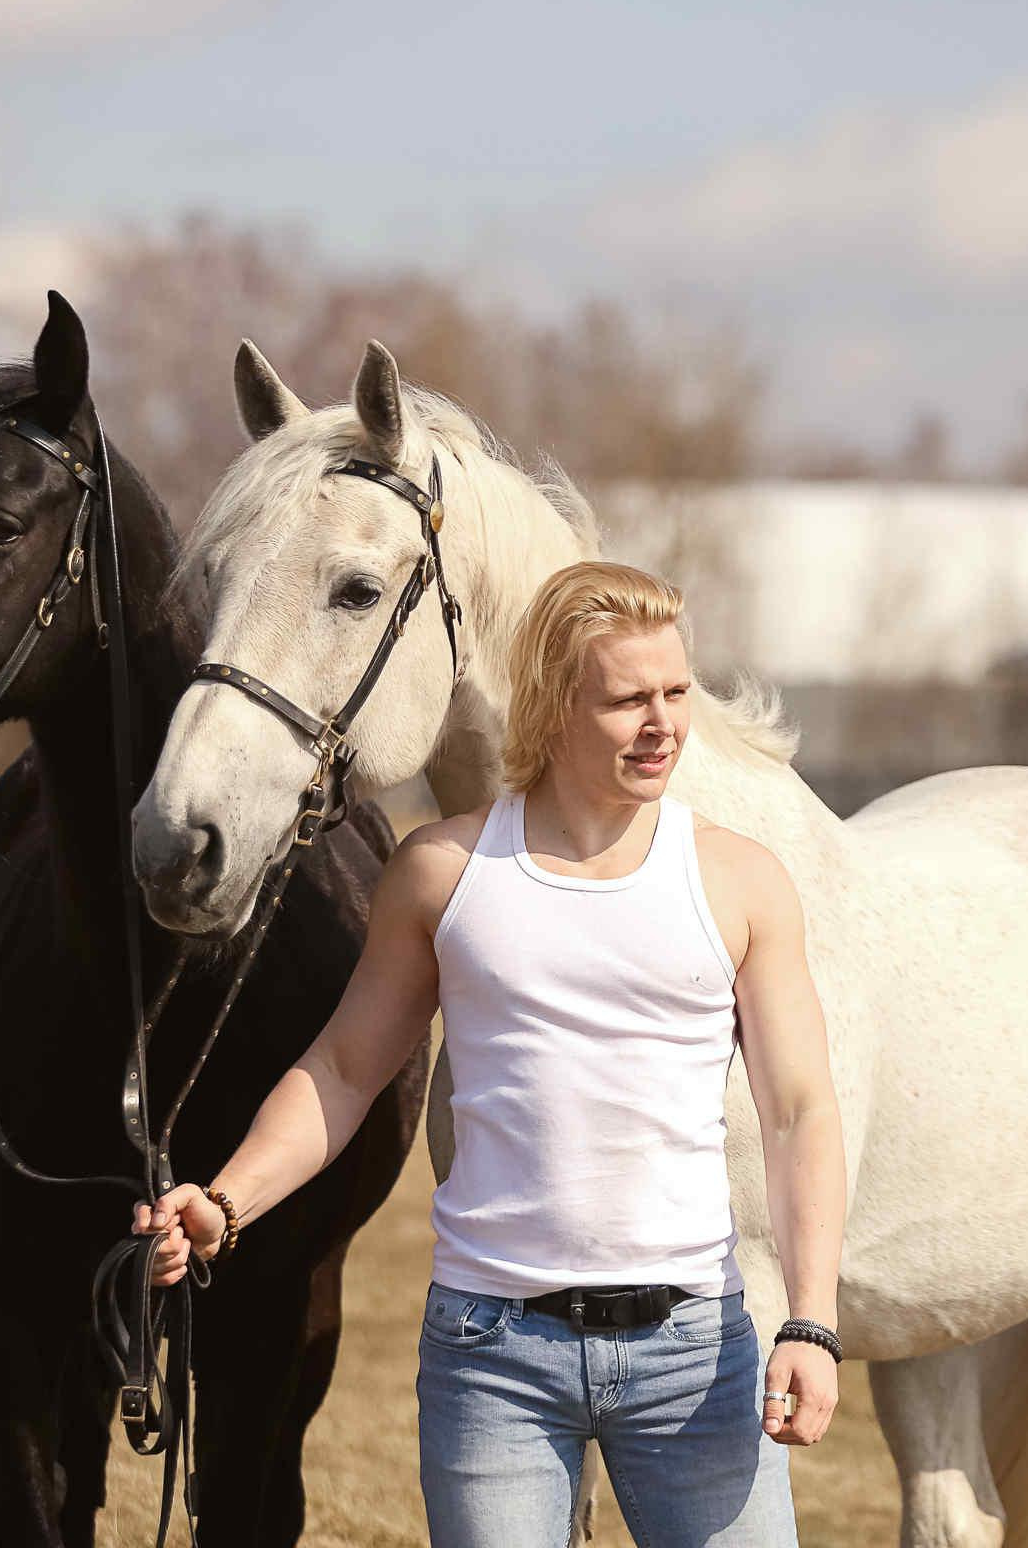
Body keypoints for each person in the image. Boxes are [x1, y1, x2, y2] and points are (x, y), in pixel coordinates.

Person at [136, 559, 846, 1545]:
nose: (664, 724)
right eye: (629, 700)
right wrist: (226, 1200)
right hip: (493, 1357)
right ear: (552, 703)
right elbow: (343, 1070)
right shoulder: (442, 870)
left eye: (677, 692)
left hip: (696, 1354)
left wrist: (810, 1320)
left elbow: (799, 1111)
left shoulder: (740, 880)